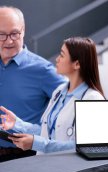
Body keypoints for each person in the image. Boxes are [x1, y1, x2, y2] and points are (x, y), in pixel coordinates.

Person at [0, 37, 105, 154]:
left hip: (70, 170)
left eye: (62, 55)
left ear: (76, 64)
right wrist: (18, 124)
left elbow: (85, 146)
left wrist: (36, 143)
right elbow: (46, 132)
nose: (57, 59)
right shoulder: (59, 92)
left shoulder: (92, 99)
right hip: (47, 167)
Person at [0, 6, 66, 161]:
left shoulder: (44, 70)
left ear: (23, 31)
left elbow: (72, 110)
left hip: (24, 157)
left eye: (14, 34)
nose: (9, 41)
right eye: (1, 34)